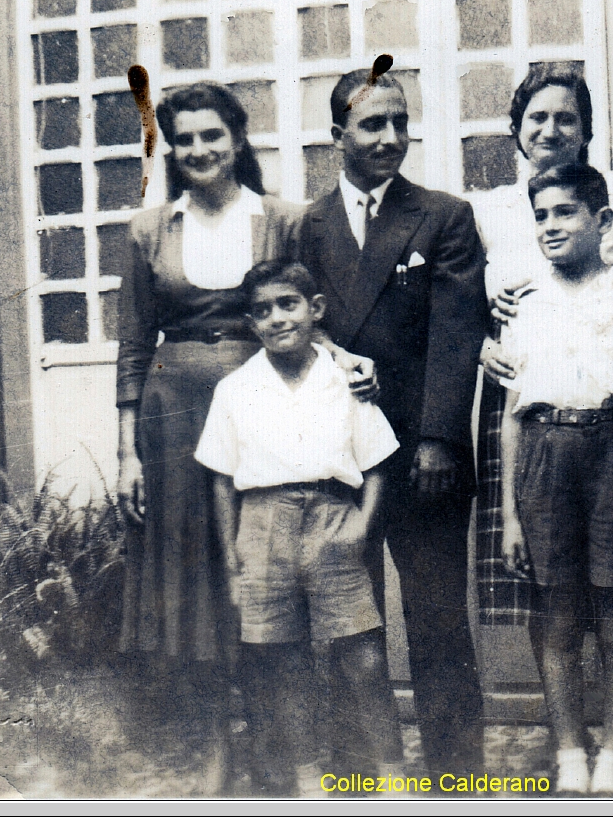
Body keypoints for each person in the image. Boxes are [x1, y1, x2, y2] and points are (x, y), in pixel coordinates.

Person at [113, 81, 368, 790]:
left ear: (237, 139)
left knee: (263, 566)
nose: (199, 150)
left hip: (264, 412)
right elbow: (134, 345)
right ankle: (213, 747)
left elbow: (317, 318)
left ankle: (279, 746)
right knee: (195, 581)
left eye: (211, 135)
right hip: (173, 420)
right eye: (184, 139)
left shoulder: (282, 220)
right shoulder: (148, 230)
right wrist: (126, 450)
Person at [298, 67, 490, 774]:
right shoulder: (306, 225)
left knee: (438, 622)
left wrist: (439, 436)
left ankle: (457, 776)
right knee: (349, 625)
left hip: (421, 454)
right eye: (372, 124)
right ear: (337, 135)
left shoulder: (443, 216)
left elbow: (456, 332)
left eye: (399, 122)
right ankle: (359, 773)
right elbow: (291, 323)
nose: (389, 137)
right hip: (336, 459)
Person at [195, 260, 406, 797]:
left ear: (315, 310)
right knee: (282, 661)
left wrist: (361, 524)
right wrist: (233, 560)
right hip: (260, 527)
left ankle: (394, 777)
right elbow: (221, 481)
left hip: (331, 517)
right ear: (251, 323)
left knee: (363, 654)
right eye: (262, 311)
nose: (276, 319)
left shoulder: (345, 378)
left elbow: (378, 462)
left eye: (287, 304)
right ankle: (311, 780)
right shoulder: (236, 389)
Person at [497, 163, 613, 796]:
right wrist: (510, 512)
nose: (551, 226)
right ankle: (569, 750)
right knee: (556, 613)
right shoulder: (524, 297)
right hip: (542, 452)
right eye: (540, 215)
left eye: (565, 212)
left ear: (602, 220)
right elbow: (513, 414)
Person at [474, 63, 613, 628]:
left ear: (587, 129)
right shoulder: (489, 209)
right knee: (541, 591)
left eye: (566, 119)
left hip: (608, 408)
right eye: (537, 117)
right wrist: (481, 341)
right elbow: (459, 305)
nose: (550, 131)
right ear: (517, 129)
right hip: (527, 403)